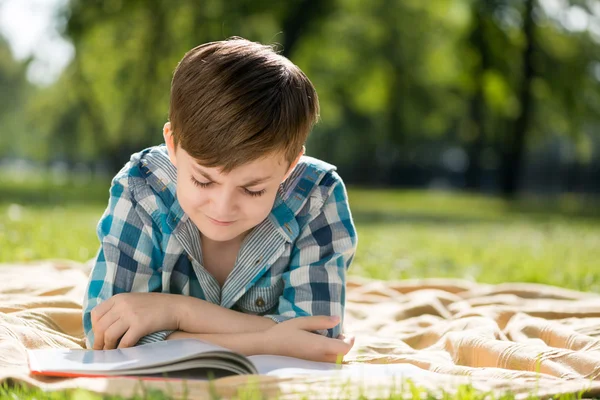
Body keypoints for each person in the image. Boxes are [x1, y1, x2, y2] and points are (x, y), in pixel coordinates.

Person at [82, 37, 357, 363]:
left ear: (290, 165)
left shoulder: (316, 195)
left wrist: (178, 312)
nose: (223, 207)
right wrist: (272, 340)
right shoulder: (142, 187)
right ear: (172, 144)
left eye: (253, 189)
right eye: (203, 180)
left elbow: (317, 341)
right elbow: (105, 333)